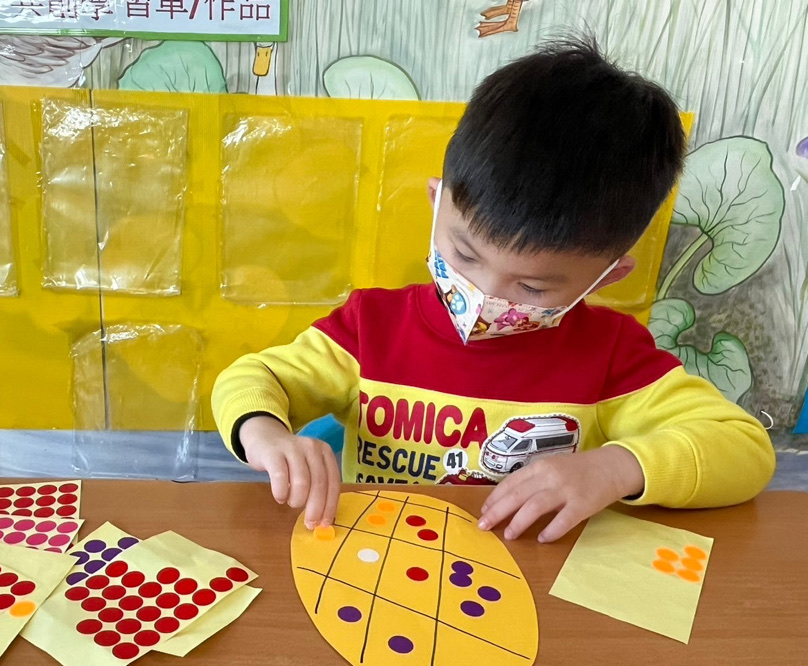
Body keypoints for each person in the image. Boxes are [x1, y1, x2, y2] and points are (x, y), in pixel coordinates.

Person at [211, 39, 775, 542]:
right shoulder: (370, 327)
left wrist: (615, 468)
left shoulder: (611, 356)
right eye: (464, 255)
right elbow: (255, 378)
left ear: (605, 277)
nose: (484, 296)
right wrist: (266, 434)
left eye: (531, 286)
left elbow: (744, 449)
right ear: (437, 203)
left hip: (524, 576)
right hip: (380, 555)